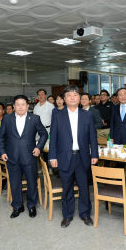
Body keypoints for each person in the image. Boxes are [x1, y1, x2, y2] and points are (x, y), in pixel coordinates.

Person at [49, 85, 99, 228]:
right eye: (69, 95)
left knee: (84, 188)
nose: (72, 97)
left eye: (75, 95)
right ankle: (67, 215)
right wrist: (52, 157)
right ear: (64, 99)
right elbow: (53, 139)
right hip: (64, 157)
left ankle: (85, 214)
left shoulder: (86, 115)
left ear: (79, 98)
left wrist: (94, 154)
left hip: (82, 157)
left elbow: (92, 137)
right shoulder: (57, 115)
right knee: (67, 189)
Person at [0, 95, 47, 219]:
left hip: (29, 157)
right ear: (14, 106)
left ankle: (31, 205)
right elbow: (1, 137)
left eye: (22, 104)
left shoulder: (34, 118)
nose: (20, 107)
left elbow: (44, 134)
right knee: (14, 184)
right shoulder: (7, 119)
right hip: (11, 157)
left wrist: (38, 147)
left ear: (27, 106)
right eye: (17, 104)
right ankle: (17, 206)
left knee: (31, 183)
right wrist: (2, 151)